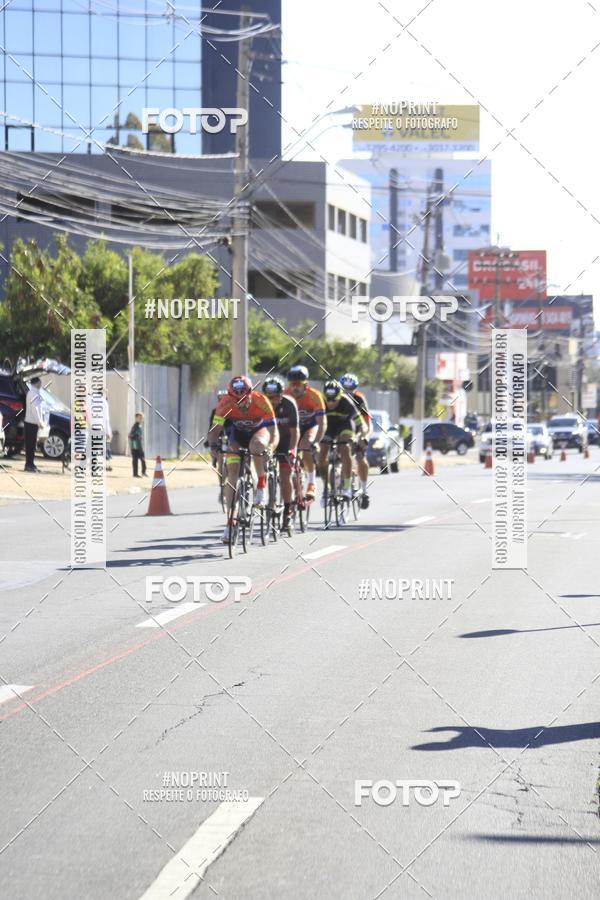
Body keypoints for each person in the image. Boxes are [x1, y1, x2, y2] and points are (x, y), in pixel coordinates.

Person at [208, 376, 279, 543]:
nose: (240, 401)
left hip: (259, 432)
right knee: (232, 473)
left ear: (250, 393)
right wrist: (213, 447)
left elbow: (274, 432)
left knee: (256, 447)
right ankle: (230, 523)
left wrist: (270, 448)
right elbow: (214, 430)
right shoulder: (225, 403)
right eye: (236, 398)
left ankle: (261, 485)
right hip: (237, 435)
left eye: (244, 397)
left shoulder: (261, 401)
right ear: (230, 396)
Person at [318, 379, 368, 501]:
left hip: (345, 426)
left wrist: (359, 437)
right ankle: (326, 487)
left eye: (334, 399)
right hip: (328, 427)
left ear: (340, 396)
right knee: (322, 453)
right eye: (327, 399)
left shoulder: (347, 403)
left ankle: (347, 486)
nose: (330, 403)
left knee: (345, 448)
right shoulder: (320, 402)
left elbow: (362, 425)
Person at [284, 365, 327, 502]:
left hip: (310, 426)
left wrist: (316, 442)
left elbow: (322, 423)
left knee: (305, 445)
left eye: (298, 385)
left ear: (306, 384)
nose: (294, 388)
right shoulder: (285, 395)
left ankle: (312, 483)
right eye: (292, 384)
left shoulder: (314, 396)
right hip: (293, 427)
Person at [262, 376, 299, 532]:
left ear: (282, 394)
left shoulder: (289, 404)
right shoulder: (261, 405)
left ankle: (287, 511)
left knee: (285, 475)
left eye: (276, 396)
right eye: (269, 397)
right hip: (269, 441)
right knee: (261, 468)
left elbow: (295, 431)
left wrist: (292, 451)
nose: (272, 400)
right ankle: (264, 500)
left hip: (286, 440)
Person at [340, 372, 372, 509]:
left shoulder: (359, 399)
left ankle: (364, 491)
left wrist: (364, 438)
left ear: (355, 389)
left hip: (359, 429)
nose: (347, 393)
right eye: (344, 390)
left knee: (360, 457)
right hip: (343, 429)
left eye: (350, 390)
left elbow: (366, 424)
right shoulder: (336, 399)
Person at [24, 376, 45, 473]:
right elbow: (35, 408)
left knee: (32, 445)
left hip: (32, 423)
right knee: (30, 445)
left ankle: (30, 463)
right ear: (36, 382)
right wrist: (39, 421)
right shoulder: (33, 393)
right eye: (40, 381)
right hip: (31, 423)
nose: (41, 383)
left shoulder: (35, 392)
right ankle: (29, 464)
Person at [129, 412, 147, 477]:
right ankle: (135, 474)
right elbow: (130, 435)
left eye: (141, 418)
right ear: (136, 418)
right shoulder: (135, 426)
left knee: (143, 459)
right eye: (139, 418)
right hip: (135, 446)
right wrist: (136, 436)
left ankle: (143, 472)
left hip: (139, 445)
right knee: (135, 460)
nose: (140, 419)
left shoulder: (139, 426)